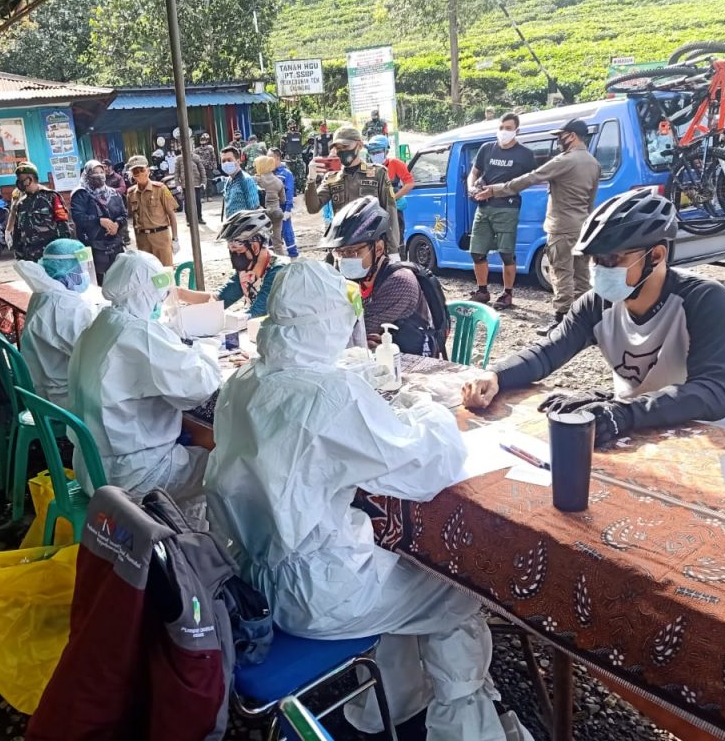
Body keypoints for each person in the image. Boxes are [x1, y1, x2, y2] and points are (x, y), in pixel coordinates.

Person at [204, 259, 529, 741]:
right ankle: (465, 727)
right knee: (454, 591)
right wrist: (425, 409)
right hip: (316, 593)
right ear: (331, 320)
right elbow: (425, 465)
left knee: (399, 575)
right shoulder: (329, 394)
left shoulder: (243, 380)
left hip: (252, 579)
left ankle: (388, 707)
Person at [461, 189, 725, 443]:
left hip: (709, 436)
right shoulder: (597, 304)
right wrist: (496, 375)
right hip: (640, 427)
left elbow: (713, 392)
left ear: (656, 256)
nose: (600, 270)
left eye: (611, 259)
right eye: (594, 260)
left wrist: (623, 411)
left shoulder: (703, 299)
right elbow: (549, 352)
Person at [67, 251, 221, 500]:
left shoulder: (100, 324)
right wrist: (207, 349)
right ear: (147, 292)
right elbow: (199, 387)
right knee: (224, 464)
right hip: (134, 477)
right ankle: (186, 525)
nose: (161, 300)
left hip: (91, 468)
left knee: (194, 435)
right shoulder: (139, 334)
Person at [475, 118, 602, 334]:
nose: (559, 140)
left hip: (561, 226)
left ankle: (561, 321)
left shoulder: (565, 160)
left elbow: (530, 178)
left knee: (561, 272)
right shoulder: (593, 163)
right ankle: (585, 322)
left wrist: (495, 190)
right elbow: (591, 200)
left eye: (561, 136)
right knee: (582, 276)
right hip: (583, 225)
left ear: (572, 136)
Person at [321, 196, 445, 355]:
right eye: (340, 252)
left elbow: (352, 331)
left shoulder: (400, 282)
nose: (344, 259)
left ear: (378, 248)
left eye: (352, 251)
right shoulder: (355, 281)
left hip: (415, 363)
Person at [466, 113, 536, 310]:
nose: (504, 131)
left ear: (517, 131)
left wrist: (502, 190)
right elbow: (474, 172)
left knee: (506, 253)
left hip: (508, 207)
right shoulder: (487, 148)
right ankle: (482, 291)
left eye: (508, 128)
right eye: (501, 127)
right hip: (483, 207)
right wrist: (471, 187)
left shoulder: (525, 154)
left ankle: (507, 294)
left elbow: (530, 180)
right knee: (477, 252)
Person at [17, 238, 97, 409]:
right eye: (80, 269)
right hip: (63, 399)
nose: (84, 274)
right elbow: (90, 355)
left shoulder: (44, 294)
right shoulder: (66, 306)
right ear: (67, 270)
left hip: (42, 391)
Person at [305, 126, 400, 259]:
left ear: (359, 145)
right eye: (338, 148)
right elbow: (313, 208)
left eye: (345, 146)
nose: (342, 151)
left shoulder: (378, 173)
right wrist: (311, 179)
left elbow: (390, 211)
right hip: (343, 249)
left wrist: (393, 250)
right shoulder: (332, 178)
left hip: (370, 248)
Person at [177, 208, 289, 319]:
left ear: (255, 247)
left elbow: (257, 312)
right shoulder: (246, 270)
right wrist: (178, 293)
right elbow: (219, 299)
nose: (235, 257)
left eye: (238, 251)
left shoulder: (278, 271)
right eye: (231, 252)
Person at [70, 160, 129, 283]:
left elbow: (123, 214)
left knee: (119, 279)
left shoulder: (113, 193)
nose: (99, 175)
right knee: (99, 282)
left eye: (101, 172)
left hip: (115, 245)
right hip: (94, 247)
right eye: (95, 172)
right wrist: (98, 221)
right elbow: (78, 217)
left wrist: (117, 224)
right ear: (86, 174)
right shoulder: (80, 194)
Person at [6, 161, 72, 262]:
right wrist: (19, 255)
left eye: (22, 180)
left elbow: (63, 226)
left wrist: (63, 253)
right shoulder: (21, 203)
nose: (19, 183)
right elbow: (18, 232)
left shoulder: (51, 197)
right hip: (30, 258)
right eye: (18, 180)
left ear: (30, 179)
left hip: (50, 256)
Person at [125, 155, 180, 267]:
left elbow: (171, 215)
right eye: (135, 171)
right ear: (132, 175)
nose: (139, 174)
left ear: (148, 171)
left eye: (142, 170)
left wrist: (175, 239)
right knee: (148, 273)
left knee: (165, 271)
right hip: (143, 240)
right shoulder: (130, 193)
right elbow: (132, 219)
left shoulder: (161, 189)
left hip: (161, 237)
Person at [366, 134, 414, 250]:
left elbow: (409, 183)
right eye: (372, 152)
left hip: (394, 208)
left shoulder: (395, 163)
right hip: (376, 209)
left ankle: (400, 258)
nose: (375, 155)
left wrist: (394, 197)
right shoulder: (369, 168)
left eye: (378, 152)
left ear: (386, 151)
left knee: (396, 239)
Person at [269, 147, 299, 258]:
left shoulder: (286, 173)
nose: (268, 160)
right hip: (271, 208)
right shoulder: (268, 173)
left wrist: (288, 209)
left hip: (282, 207)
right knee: (272, 233)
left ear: (277, 158)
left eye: (270, 158)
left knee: (287, 231)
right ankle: (273, 256)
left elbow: (289, 192)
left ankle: (293, 254)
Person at [253, 156, 287, 254]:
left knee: (261, 243)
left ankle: (264, 261)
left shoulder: (256, 179)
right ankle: (281, 261)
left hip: (262, 214)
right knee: (277, 242)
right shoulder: (278, 181)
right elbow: (283, 200)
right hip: (276, 212)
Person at [220, 146, 260, 219]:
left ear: (238, 161)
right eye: (223, 161)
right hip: (232, 224)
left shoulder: (246, 180)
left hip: (245, 224)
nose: (226, 163)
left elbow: (254, 209)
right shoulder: (228, 181)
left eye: (229, 160)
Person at [175, 147, 208, 229]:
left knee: (197, 201)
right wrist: (177, 184)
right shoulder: (179, 159)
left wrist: (204, 182)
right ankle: (189, 219)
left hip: (196, 183)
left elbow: (202, 170)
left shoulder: (196, 157)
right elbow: (176, 173)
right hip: (185, 184)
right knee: (187, 203)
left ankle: (199, 217)